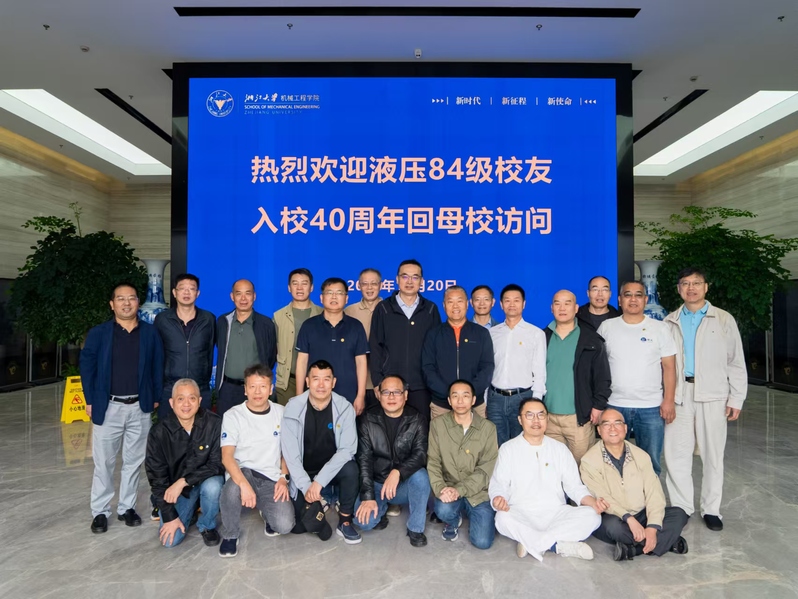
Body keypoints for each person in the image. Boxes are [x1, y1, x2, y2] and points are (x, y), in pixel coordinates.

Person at [662, 267, 747, 532]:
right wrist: (665, 397)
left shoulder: (722, 319)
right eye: (685, 283)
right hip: (680, 394)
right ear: (679, 289)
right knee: (676, 454)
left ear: (706, 287)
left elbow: (736, 361)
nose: (691, 288)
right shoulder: (669, 321)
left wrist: (737, 398)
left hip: (713, 394)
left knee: (713, 454)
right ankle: (681, 507)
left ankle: (711, 509)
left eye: (696, 283)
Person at [82, 282, 164, 533]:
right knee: (104, 463)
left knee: (133, 461)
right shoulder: (99, 333)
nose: (126, 303)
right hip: (108, 406)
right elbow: (87, 368)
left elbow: (157, 366)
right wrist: (90, 400)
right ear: (112, 304)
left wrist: (155, 396)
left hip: (139, 407)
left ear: (138, 302)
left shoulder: (150, 333)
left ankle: (126, 507)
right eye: (120, 298)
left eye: (131, 298)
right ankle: (100, 511)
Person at [490, 398, 604, 561]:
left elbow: (574, 486)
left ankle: (532, 542)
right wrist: (498, 498)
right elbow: (499, 484)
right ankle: (557, 546)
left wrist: (592, 502)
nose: (536, 420)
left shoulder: (559, 449)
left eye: (540, 415)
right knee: (502, 519)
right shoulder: (508, 449)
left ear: (547, 419)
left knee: (593, 515)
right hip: (522, 512)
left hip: (556, 513)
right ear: (520, 420)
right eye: (529, 415)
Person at [580, 409, 689, 561]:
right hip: (614, 516)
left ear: (625, 428)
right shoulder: (589, 461)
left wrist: (652, 526)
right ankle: (666, 542)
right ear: (599, 430)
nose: (612, 428)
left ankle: (634, 550)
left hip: (641, 514)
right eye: (606, 424)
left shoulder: (641, 456)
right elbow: (603, 498)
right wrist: (629, 519)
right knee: (612, 527)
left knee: (679, 514)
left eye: (617, 423)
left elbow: (654, 493)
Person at [598, 281, 677, 475]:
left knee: (650, 464)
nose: (633, 299)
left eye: (638, 295)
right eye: (627, 295)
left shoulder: (660, 328)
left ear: (645, 299)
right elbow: (597, 367)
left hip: (651, 407)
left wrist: (668, 400)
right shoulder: (607, 327)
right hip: (614, 404)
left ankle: (649, 496)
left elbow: (669, 367)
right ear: (619, 300)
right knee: (611, 463)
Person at [218, 364, 294, 558]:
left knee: (284, 525)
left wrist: (283, 477)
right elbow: (227, 457)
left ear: (271, 389)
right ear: (245, 390)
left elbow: (287, 450)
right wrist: (244, 485)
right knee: (233, 488)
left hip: (270, 477)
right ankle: (230, 534)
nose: (257, 392)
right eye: (252, 387)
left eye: (262, 386)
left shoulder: (282, 412)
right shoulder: (233, 415)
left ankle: (265, 509)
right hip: (243, 473)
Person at [281, 360, 361, 544]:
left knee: (351, 468)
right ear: (308, 381)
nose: (321, 385)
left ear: (334, 382)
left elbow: (347, 450)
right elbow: (291, 456)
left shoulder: (344, 408)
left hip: (333, 470)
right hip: (304, 471)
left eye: (326, 379)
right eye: (316, 379)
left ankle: (345, 520)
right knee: (297, 526)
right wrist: (307, 486)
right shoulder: (293, 408)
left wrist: (318, 482)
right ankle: (320, 500)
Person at [145, 378, 224, 548]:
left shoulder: (214, 423)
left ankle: (207, 525)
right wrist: (169, 516)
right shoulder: (159, 433)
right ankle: (191, 509)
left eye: (192, 398)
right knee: (170, 541)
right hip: (179, 492)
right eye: (180, 399)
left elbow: (217, 464)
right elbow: (156, 479)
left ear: (199, 401)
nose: (186, 404)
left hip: (203, 481)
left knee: (213, 486)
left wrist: (184, 481)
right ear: (171, 403)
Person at [354, 374, 430, 547]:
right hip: (377, 484)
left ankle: (415, 528)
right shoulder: (367, 419)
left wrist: (398, 472)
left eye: (396, 392)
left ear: (405, 395)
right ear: (378, 395)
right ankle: (381, 509)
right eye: (386, 392)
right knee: (363, 522)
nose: (391, 397)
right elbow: (364, 460)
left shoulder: (417, 419)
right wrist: (368, 497)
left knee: (421, 476)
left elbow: (420, 454)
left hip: (402, 485)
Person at [543, 290, 611, 465]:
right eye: (557, 303)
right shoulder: (542, 337)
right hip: (548, 418)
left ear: (576, 308)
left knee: (582, 467)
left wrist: (598, 405)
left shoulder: (591, 339)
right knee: (552, 468)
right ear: (551, 308)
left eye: (567, 303)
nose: (562, 308)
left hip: (579, 418)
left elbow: (603, 376)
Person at [370, 259, 442, 424]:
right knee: (389, 431)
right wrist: (378, 382)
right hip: (390, 387)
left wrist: (433, 382)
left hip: (422, 386)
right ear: (397, 279)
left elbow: (437, 349)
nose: (409, 281)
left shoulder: (430, 309)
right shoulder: (383, 308)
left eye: (415, 277)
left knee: (421, 431)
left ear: (422, 281)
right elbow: (375, 347)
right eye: (405, 276)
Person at [428, 379, 498, 549]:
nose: (460, 401)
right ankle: (453, 520)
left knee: (482, 542)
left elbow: (486, 469)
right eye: (455, 396)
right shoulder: (438, 425)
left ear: (473, 400)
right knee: (443, 510)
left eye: (465, 396)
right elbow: (433, 461)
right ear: (449, 400)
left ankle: (475, 516)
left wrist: (460, 490)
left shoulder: (488, 428)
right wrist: (440, 489)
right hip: (449, 487)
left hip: (479, 493)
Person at [295, 277, 369, 415]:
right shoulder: (309, 326)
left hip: (348, 396)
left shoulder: (356, 326)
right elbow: (302, 362)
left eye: (339, 293)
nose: (334, 297)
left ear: (346, 299)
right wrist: (299, 397)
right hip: (315, 396)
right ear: (321, 298)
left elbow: (361, 362)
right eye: (329, 293)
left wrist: (360, 395)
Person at [422, 285, 494, 420]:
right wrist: (450, 394)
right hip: (442, 405)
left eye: (459, 301)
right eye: (450, 302)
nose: (455, 306)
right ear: (444, 305)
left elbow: (487, 367)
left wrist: (468, 394)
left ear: (467, 304)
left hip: (474, 404)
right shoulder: (433, 334)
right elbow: (428, 368)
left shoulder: (481, 333)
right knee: (442, 435)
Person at [487, 284, 547, 446]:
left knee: (523, 445)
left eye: (516, 300)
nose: (512, 304)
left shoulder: (536, 333)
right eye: (507, 300)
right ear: (501, 304)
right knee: (497, 446)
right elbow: (487, 367)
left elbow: (540, 371)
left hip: (523, 397)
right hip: (495, 399)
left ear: (524, 304)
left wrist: (535, 402)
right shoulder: (492, 333)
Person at [153, 273, 216, 416]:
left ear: (197, 293)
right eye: (182, 288)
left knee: (201, 428)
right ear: (174, 292)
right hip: (169, 388)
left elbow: (210, 349)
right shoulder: (162, 320)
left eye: (191, 289)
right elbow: (156, 353)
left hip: (200, 388)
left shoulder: (208, 319)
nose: (187, 292)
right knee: (168, 428)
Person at [216, 279, 277, 416]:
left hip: (255, 389)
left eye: (247, 293)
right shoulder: (223, 322)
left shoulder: (266, 324)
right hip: (228, 389)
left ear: (254, 296)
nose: (243, 298)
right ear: (232, 296)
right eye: (239, 294)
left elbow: (270, 356)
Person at [274, 268, 323, 406]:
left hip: (317, 381)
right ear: (289, 288)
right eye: (295, 283)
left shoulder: (322, 314)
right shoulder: (278, 316)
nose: (299, 288)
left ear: (311, 287)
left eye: (304, 283)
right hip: (287, 382)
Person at [344, 268, 383, 410]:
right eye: (365, 284)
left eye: (374, 283)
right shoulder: (349, 311)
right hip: (356, 383)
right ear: (358, 286)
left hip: (383, 383)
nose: (369, 288)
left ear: (381, 285)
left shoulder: (389, 309)